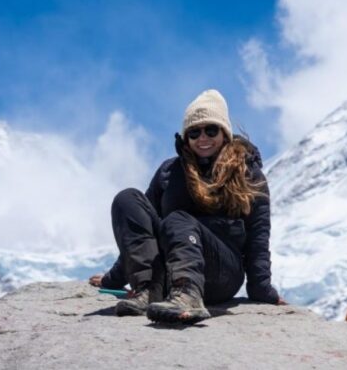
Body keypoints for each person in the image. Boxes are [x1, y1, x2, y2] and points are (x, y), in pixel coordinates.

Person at [89, 89, 284, 324]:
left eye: (211, 130)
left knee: (178, 219)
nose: (203, 138)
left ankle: (189, 295)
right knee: (127, 200)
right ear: (185, 137)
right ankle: (148, 289)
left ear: (225, 133)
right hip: (170, 271)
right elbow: (142, 232)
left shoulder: (249, 175)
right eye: (194, 132)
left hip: (220, 273)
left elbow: (258, 238)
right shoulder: (170, 173)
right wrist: (114, 278)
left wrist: (262, 291)